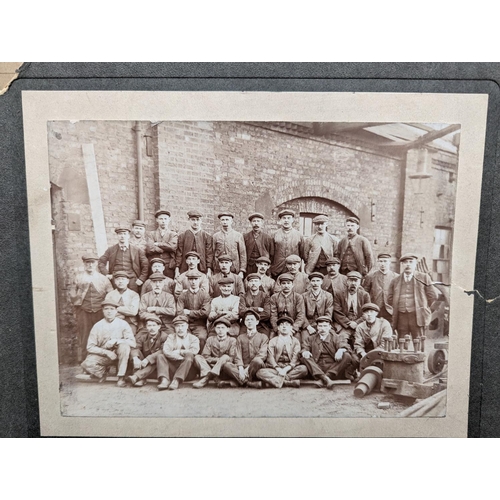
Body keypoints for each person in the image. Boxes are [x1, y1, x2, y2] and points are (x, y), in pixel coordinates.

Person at [81, 299, 136, 387]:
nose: (109, 311)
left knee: (124, 346)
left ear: (116, 311)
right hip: (104, 355)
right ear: (103, 311)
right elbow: (90, 347)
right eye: (106, 309)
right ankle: (103, 372)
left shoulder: (123, 324)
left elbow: (132, 343)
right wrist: (106, 352)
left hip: (120, 355)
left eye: (112, 309)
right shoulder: (97, 326)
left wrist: (117, 341)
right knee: (86, 364)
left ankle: (121, 377)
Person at [70, 254, 113, 362]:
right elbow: (72, 291)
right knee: (85, 335)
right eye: (87, 263)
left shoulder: (103, 279)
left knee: (101, 335)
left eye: (92, 263)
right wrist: (77, 303)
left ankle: (101, 361)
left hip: (100, 311)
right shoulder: (78, 277)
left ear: (96, 264)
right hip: (84, 311)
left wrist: (106, 307)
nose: (90, 265)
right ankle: (84, 360)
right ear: (84, 264)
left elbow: (111, 293)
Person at [388, 253, 439, 340]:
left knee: (418, 340)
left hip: (417, 316)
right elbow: (389, 298)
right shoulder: (395, 280)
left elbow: (433, 295)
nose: (408, 264)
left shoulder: (424, 277)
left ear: (415, 264)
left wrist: (423, 306)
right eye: (405, 262)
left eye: (411, 262)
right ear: (402, 264)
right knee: (402, 341)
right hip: (401, 316)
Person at [333, 270, 371, 377]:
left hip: (359, 324)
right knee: (341, 341)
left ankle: (358, 368)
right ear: (346, 282)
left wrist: (357, 323)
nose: (353, 283)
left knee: (360, 343)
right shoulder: (339, 294)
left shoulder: (365, 295)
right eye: (351, 280)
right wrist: (349, 323)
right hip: (344, 324)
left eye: (356, 281)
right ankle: (343, 369)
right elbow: (337, 312)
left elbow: (367, 312)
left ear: (360, 282)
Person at [300, 316, 353, 388]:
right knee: (304, 357)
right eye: (320, 326)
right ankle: (326, 379)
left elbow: (345, 345)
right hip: (316, 367)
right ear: (317, 327)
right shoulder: (311, 338)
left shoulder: (336, 337)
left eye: (325, 326)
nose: (323, 329)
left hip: (333, 368)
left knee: (347, 356)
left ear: (329, 327)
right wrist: (305, 352)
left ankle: (324, 378)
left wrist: (341, 350)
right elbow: (304, 347)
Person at [255, 316, 308, 388]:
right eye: (281, 325)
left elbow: (295, 359)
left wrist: (286, 369)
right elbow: (270, 357)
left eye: (287, 325)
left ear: (291, 328)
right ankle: (287, 383)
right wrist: (278, 369)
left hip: (289, 369)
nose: (284, 327)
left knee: (304, 369)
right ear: (278, 328)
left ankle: (276, 381)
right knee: (260, 372)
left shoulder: (295, 341)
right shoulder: (273, 341)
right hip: (276, 369)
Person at [221, 309, 269, 389]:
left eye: (252, 320)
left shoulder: (263, 337)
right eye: (247, 320)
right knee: (227, 365)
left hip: (255, 368)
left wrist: (247, 369)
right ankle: (249, 383)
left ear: (257, 322)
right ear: (245, 322)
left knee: (258, 361)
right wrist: (240, 368)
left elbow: (262, 355)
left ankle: (239, 381)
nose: (249, 322)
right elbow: (238, 354)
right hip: (242, 367)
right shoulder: (240, 337)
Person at [98, 226, 149, 293]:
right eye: (120, 234)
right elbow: (101, 262)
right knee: (116, 299)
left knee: (132, 298)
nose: (122, 236)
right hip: (116, 279)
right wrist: (107, 274)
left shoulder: (136, 250)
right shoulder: (111, 250)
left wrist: (141, 279)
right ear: (117, 236)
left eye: (124, 234)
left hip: (132, 280)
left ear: (128, 236)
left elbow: (146, 265)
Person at [156, 315, 200, 391]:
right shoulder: (170, 337)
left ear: (187, 326)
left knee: (189, 355)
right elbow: (166, 351)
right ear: (174, 328)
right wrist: (181, 357)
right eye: (177, 326)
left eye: (182, 326)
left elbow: (194, 351)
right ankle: (165, 380)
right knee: (160, 356)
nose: (180, 329)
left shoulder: (193, 338)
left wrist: (179, 351)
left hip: (189, 371)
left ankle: (176, 380)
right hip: (173, 368)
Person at [193, 317, 238, 388]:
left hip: (224, 369)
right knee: (197, 357)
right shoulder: (210, 339)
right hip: (210, 367)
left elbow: (232, 358)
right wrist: (218, 360)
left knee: (225, 357)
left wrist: (221, 360)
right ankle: (216, 379)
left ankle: (206, 378)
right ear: (215, 329)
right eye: (218, 328)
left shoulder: (232, 340)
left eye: (223, 328)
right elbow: (205, 356)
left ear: (227, 329)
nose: (220, 330)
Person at [127, 314, 168, 387]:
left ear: (159, 327)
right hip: (143, 365)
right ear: (146, 327)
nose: (151, 328)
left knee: (158, 357)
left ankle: (137, 377)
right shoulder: (142, 336)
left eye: (154, 325)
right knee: (136, 353)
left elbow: (163, 351)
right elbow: (135, 348)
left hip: (158, 368)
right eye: (149, 326)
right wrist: (135, 358)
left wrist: (148, 359)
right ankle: (141, 379)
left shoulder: (164, 337)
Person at [176, 270, 211, 350]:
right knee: (183, 339)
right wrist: (196, 314)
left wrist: (189, 312)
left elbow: (205, 313)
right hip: (185, 325)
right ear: (188, 281)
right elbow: (179, 312)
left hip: (200, 325)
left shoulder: (205, 295)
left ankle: (200, 357)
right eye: (191, 279)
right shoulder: (183, 295)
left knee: (202, 338)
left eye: (196, 279)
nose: (193, 282)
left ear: (199, 280)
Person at [175, 210, 214, 278]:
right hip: (185, 268)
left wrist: (209, 269)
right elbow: (179, 253)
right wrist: (177, 269)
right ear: (189, 220)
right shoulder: (182, 236)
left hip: (202, 268)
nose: (195, 222)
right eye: (193, 220)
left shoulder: (207, 236)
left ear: (201, 221)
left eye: (197, 220)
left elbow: (209, 254)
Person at [363, 253, 399, 323]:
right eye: (381, 261)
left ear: (389, 262)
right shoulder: (370, 276)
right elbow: (365, 294)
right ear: (378, 262)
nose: (383, 264)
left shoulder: (396, 277)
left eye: (385, 261)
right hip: (375, 309)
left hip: (390, 309)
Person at [301, 272, 334, 344]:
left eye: (318, 281)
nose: (315, 283)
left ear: (322, 282)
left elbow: (328, 312)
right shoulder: (304, 296)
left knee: (331, 338)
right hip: (309, 323)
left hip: (323, 323)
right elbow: (301, 314)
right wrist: (308, 326)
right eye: (313, 281)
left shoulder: (328, 296)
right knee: (305, 339)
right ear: (310, 282)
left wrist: (323, 326)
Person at [269, 273, 305, 339]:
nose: (286, 286)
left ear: (292, 285)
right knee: (272, 340)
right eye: (284, 283)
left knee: (297, 342)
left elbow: (301, 315)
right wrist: (277, 329)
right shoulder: (274, 297)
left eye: (288, 283)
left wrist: (294, 329)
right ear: (280, 285)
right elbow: (273, 315)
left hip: (293, 326)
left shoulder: (298, 297)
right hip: (279, 326)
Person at [104, 271, 140, 335]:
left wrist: (115, 308)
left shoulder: (134, 295)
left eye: (123, 279)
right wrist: (124, 312)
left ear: (127, 281)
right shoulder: (110, 295)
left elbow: (133, 312)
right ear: (115, 282)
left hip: (130, 323)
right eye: (118, 279)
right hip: (113, 322)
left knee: (128, 339)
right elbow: (107, 311)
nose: (120, 281)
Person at [212, 212, 247, 278]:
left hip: (234, 269)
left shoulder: (238, 235)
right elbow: (212, 254)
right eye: (223, 220)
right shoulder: (215, 236)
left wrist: (242, 271)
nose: (225, 222)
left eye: (227, 220)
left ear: (231, 221)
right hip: (219, 269)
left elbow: (243, 254)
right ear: (220, 222)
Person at [146, 209, 178, 279]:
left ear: (169, 220)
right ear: (157, 220)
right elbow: (149, 248)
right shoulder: (151, 234)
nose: (163, 221)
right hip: (155, 265)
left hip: (168, 265)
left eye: (165, 219)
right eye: (161, 219)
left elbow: (172, 247)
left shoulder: (173, 234)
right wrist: (164, 248)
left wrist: (157, 244)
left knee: (168, 285)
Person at [271, 209, 303, 278]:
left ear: (293, 220)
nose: (286, 220)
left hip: (293, 269)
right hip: (277, 269)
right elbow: (271, 254)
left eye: (289, 218)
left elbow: (302, 255)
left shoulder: (299, 235)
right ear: (280, 220)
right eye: (284, 218)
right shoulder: (274, 235)